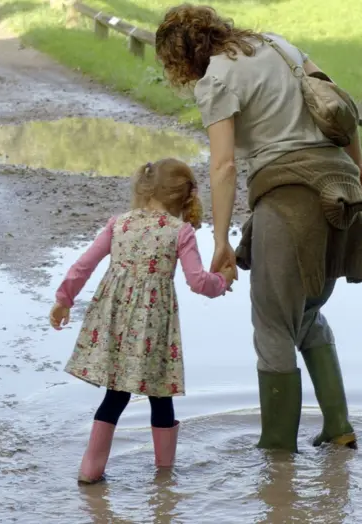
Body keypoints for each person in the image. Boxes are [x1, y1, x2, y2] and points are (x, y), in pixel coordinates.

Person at [155, 5, 362, 453]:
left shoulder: (216, 78)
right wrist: (359, 166)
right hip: (341, 190)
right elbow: (340, 103)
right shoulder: (277, 45)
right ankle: (338, 427)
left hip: (292, 197)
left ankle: (276, 455)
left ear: (181, 59)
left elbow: (223, 165)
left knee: (273, 324)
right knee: (307, 314)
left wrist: (219, 240)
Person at [49, 158, 236, 484]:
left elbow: (84, 265)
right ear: (182, 196)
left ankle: (89, 472)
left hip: (115, 324)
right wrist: (222, 280)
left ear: (145, 188)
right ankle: (165, 480)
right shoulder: (181, 232)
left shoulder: (118, 224)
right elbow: (197, 282)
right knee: (160, 397)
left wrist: (63, 300)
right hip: (153, 328)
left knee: (115, 396)